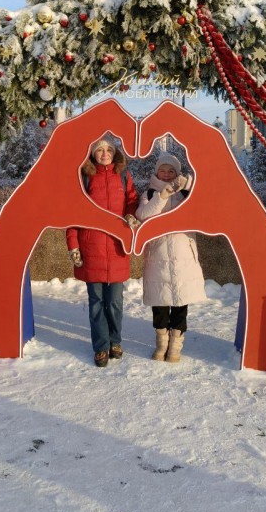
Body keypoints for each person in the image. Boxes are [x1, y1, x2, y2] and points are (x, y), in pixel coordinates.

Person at [67, 138, 138, 368]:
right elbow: (72, 213)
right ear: (92, 153)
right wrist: (73, 245)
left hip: (117, 249)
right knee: (96, 302)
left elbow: (132, 201)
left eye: (108, 149)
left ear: (115, 152)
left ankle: (115, 341)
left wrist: (131, 216)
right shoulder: (84, 177)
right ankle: (101, 347)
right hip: (91, 248)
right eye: (99, 149)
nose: (104, 153)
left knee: (115, 301)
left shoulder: (124, 176)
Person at [135, 153, 207, 363]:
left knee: (180, 301)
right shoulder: (149, 192)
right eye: (163, 170)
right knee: (160, 300)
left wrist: (188, 185)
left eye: (171, 171)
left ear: (177, 173)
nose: (166, 174)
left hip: (183, 251)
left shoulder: (186, 193)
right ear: (156, 171)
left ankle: (176, 344)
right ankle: (161, 343)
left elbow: (201, 207)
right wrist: (162, 196)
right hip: (158, 254)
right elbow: (143, 215)